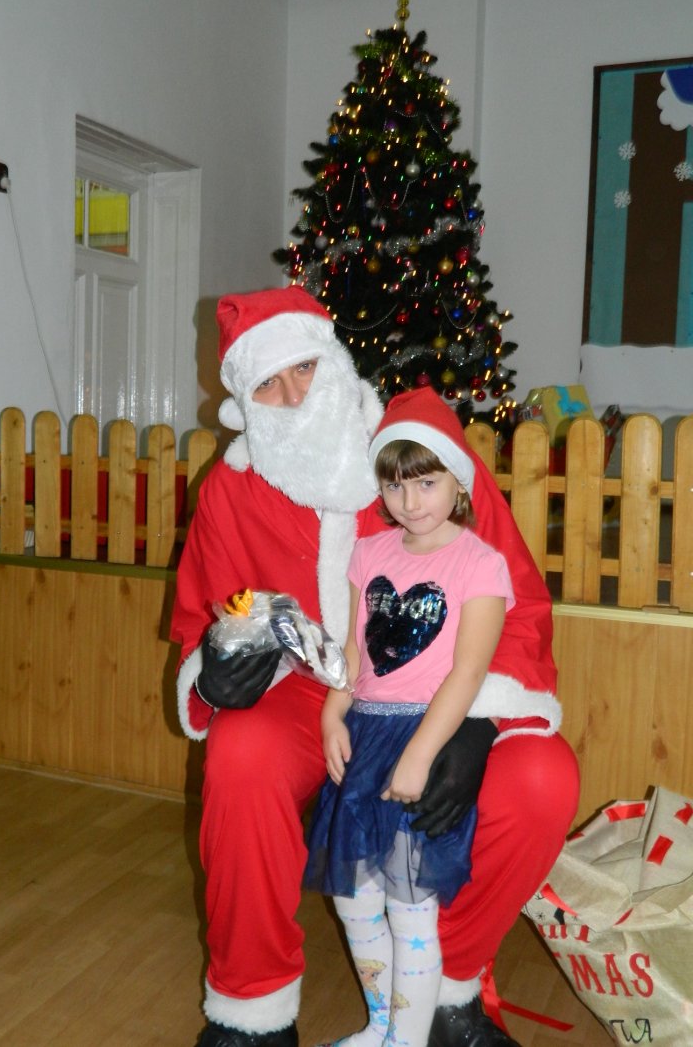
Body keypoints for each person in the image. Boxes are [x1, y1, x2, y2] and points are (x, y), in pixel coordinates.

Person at [170, 285, 579, 1047]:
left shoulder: (422, 454)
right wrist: (213, 666)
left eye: (304, 368)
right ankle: (253, 1011)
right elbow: (209, 613)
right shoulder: (230, 488)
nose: (295, 395)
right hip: (307, 692)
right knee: (241, 753)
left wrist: (478, 722)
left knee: (542, 778)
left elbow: (516, 603)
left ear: (334, 361)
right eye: (268, 383)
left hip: (442, 687)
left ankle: (449, 992)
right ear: (243, 401)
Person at [305, 386, 516, 1047]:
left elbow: (468, 673)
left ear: (459, 480)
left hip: (422, 736)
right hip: (363, 735)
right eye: (395, 485)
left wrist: (421, 754)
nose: (410, 501)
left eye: (427, 482)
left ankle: (408, 1040)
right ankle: (382, 1025)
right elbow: (353, 650)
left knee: (409, 908)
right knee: (353, 898)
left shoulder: (481, 563)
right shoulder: (369, 553)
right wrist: (333, 714)